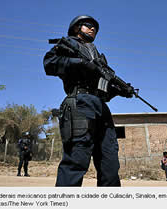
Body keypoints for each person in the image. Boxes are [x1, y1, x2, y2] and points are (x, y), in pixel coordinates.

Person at [43, 15, 134, 186]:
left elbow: (104, 91)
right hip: (79, 103)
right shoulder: (68, 44)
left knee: (110, 164)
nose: (93, 29)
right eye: (88, 25)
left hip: (101, 107)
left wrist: (120, 90)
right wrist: (80, 63)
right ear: (77, 28)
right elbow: (49, 64)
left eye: (95, 28)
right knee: (76, 160)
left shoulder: (98, 56)